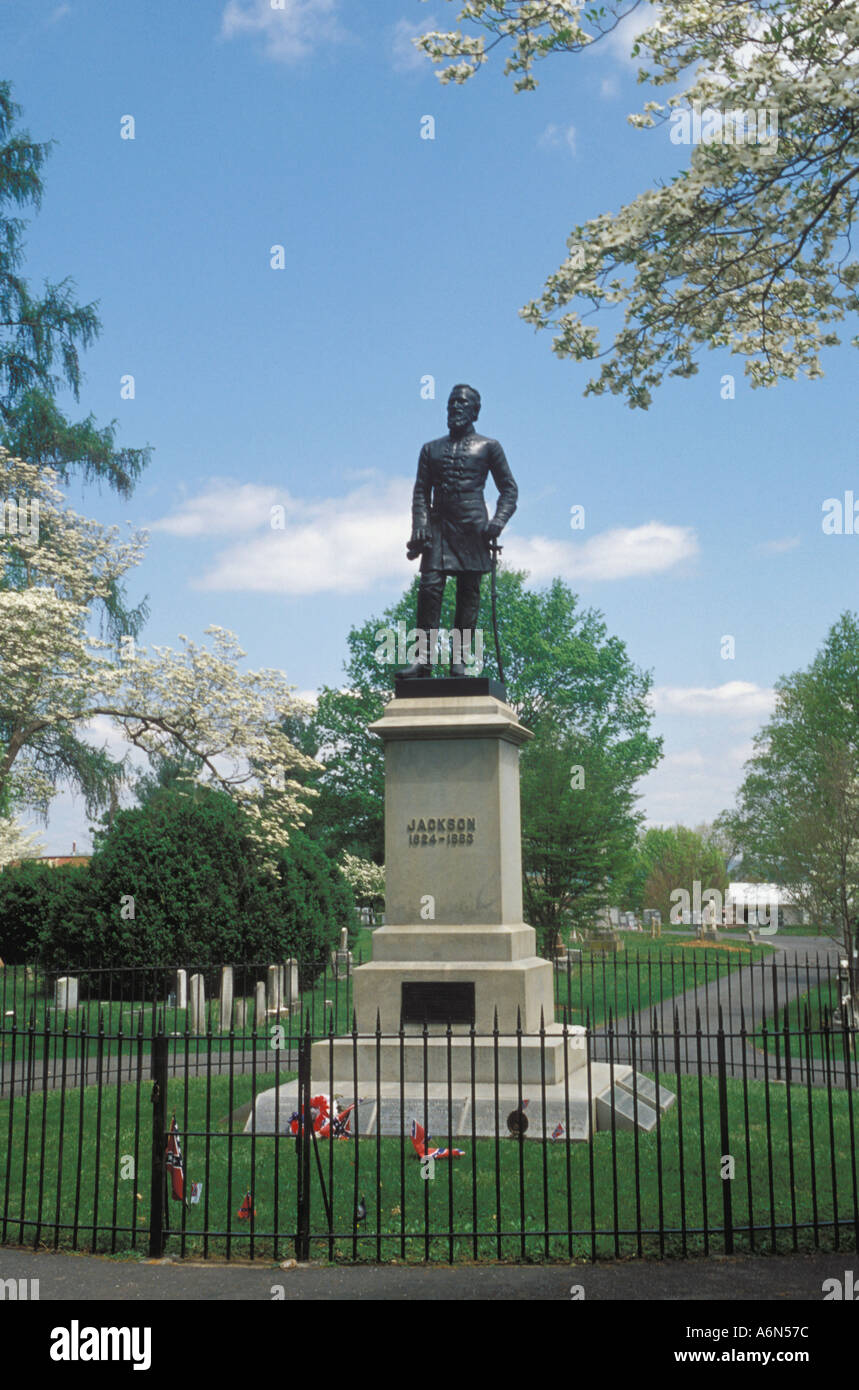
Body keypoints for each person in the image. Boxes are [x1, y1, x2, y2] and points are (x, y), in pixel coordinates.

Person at [400, 384, 518, 678]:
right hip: (438, 529)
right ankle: (422, 661)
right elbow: (420, 493)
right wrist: (421, 526)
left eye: (463, 403)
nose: (456, 408)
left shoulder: (489, 446)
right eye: (452, 403)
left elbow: (509, 490)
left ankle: (459, 661)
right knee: (429, 591)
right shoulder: (430, 449)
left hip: (473, 528)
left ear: (475, 410)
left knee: (469, 596)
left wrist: (498, 523)